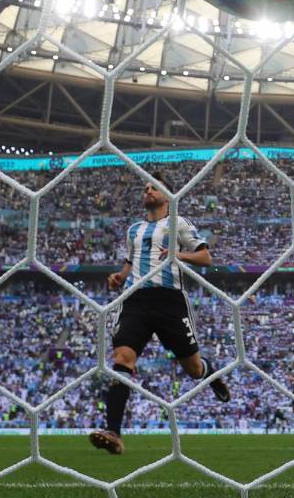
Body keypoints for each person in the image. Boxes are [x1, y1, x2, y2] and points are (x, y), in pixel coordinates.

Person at [89, 174, 231, 455]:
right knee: (122, 359)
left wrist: (179, 256)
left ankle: (209, 371)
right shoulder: (134, 230)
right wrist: (119, 276)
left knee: (192, 369)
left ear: (168, 194)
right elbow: (130, 263)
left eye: (154, 187)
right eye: (145, 188)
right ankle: (114, 433)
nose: (148, 191)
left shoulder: (178, 223)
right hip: (135, 300)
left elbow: (206, 257)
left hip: (169, 301)